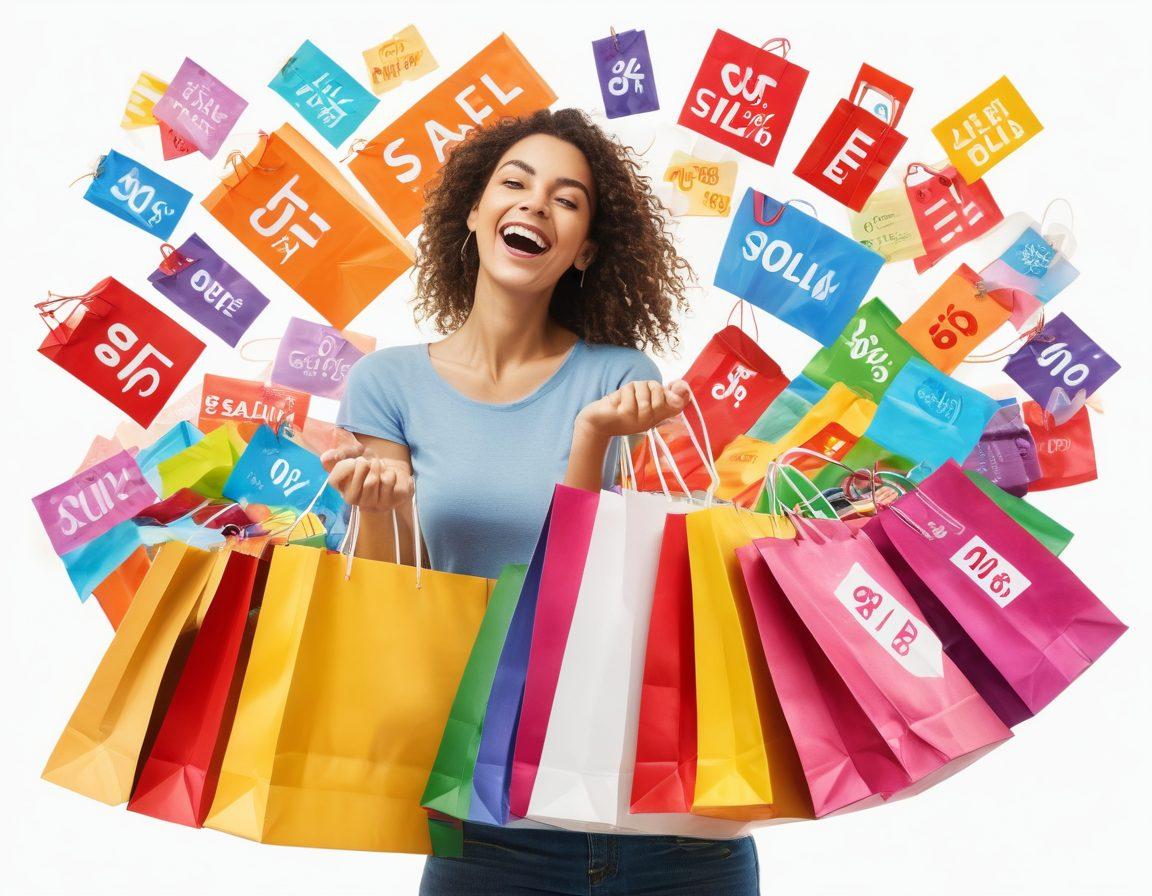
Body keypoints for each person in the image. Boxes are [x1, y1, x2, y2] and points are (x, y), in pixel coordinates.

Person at [322, 108, 760, 896]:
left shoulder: (620, 378)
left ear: (585, 248)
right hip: (487, 824)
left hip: (663, 822)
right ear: (474, 211)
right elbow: (390, 606)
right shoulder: (387, 384)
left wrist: (591, 438)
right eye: (515, 183)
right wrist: (374, 507)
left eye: (566, 199)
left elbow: (601, 592)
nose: (534, 204)